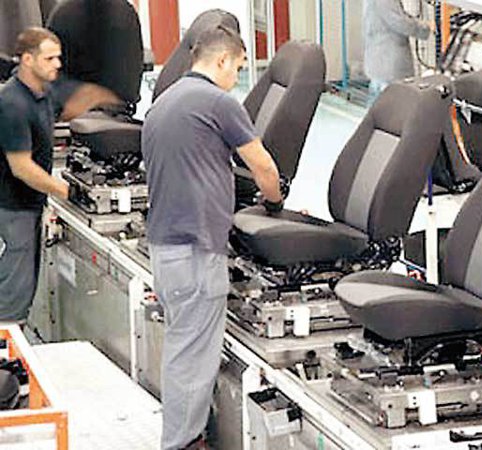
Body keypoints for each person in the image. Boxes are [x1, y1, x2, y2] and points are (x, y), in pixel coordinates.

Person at [141, 26, 283, 450]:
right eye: (237, 68)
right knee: (193, 358)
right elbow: (263, 167)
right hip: (196, 252)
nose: (235, 79)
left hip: (164, 248)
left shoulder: (164, 102)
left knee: (181, 348)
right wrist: (274, 202)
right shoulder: (218, 102)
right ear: (222, 60)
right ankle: (182, 443)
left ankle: (184, 436)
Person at [0, 27, 120, 323]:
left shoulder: (42, 91)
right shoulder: (12, 104)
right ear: (27, 59)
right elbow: (21, 167)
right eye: (50, 58)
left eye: (58, 57)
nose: (57, 64)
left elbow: (74, 100)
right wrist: (66, 191)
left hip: (29, 205)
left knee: (22, 287)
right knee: (13, 294)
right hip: (13, 209)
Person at [363, 0, 431, 103]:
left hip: (379, 63)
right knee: (394, 107)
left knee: (379, 108)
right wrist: (425, 27)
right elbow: (399, 22)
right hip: (389, 65)